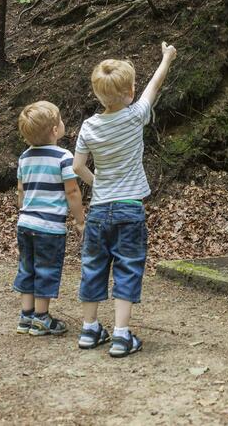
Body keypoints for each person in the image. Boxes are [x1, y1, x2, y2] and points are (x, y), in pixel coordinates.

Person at [72, 42, 177, 357]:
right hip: (129, 210)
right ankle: (120, 335)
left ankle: (90, 329)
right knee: (128, 268)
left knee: (93, 266)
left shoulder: (88, 127)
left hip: (99, 212)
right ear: (130, 92)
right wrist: (167, 57)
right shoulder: (135, 116)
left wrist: (98, 182)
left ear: (97, 93)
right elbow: (155, 85)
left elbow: (78, 167)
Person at [13, 101, 85, 336]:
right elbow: (72, 191)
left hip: (25, 223)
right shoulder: (64, 157)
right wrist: (79, 220)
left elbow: (21, 191)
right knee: (45, 269)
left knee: (27, 267)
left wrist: (24, 211)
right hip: (49, 227)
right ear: (55, 130)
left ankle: (26, 315)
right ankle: (42, 318)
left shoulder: (24, 157)